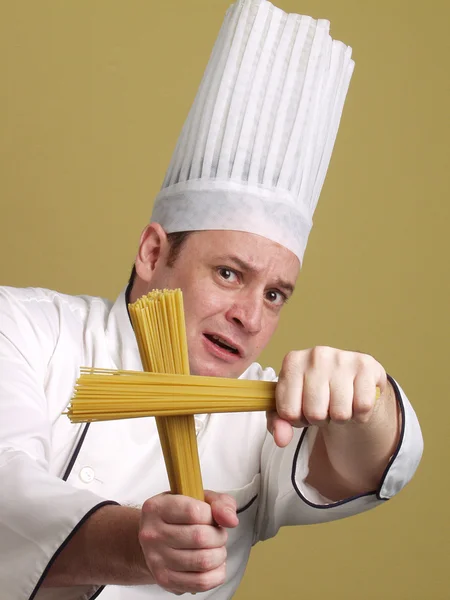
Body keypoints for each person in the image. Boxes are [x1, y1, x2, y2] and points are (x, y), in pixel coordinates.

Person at [0, 1, 423, 599]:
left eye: (275, 294)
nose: (250, 317)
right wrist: (135, 544)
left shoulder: (263, 417)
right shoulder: (21, 327)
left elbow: (365, 468)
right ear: (152, 253)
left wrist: (365, 399)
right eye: (228, 273)